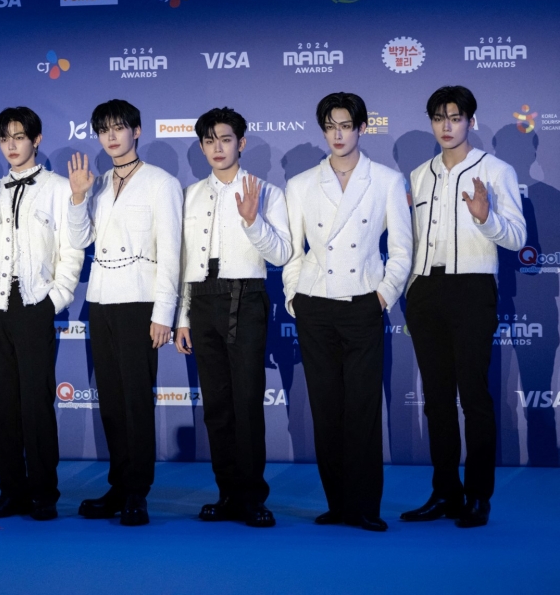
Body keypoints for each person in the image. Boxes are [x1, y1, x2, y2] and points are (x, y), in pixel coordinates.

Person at [282, 92, 412, 532]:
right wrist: (294, 297)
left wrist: (382, 295)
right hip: (315, 305)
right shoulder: (300, 184)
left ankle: (365, 507)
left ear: (361, 128)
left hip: (362, 302)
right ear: (323, 130)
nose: (338, 134)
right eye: (330, 126)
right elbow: (292, 252)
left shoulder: (388, 181)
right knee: (325, 407)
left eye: (346, 125)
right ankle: (337, 503)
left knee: (362, 408)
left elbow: (401, 252)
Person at [401, 86, 526, 528]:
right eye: (439, 117)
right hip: (425, 292)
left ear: (471, 120)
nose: (447, 125)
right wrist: (411, 286)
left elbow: (516, 238)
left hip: (473, 289)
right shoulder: (418, 174)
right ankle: (445, 492)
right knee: (436, 401)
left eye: (455, 117)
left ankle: (478, 496)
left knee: (474, 397)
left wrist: (484, 216)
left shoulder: (497, 171)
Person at [0, 107, 84, 521]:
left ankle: (44, 493)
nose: (12, 145)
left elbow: (71, 251)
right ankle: (10, 491)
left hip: (34, 306)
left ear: (37, 139)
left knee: (36, 404)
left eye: (19, 136)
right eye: (4, 139)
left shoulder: (60, 188)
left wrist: (55, 300)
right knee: (3, 406)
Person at [66, 99, 183, 526]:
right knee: (112, 404)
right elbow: (79, 241)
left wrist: (163, 313)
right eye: (104, 130)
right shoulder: (94, 184)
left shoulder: (161, 183)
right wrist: (78, 196)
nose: (111, 137)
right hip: (100, 301)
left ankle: (138, 491)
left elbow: (172, 253)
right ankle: (118, 486)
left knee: (136, 401)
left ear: (137, 130)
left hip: (140, 302)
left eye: (119, 128)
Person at [174, 107, 292, 528]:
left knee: (246, 403)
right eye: (209, 140)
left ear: (241, 143)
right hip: (201, 300)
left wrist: (252, 221)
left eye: (225, 139)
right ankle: (226, 494)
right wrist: (182, 318)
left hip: (247, 296)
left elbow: (281, 254)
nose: (217, 148)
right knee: (217, 407)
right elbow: (184, 261)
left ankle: (252, 497)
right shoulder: (189, 195)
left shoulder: (267, 192)